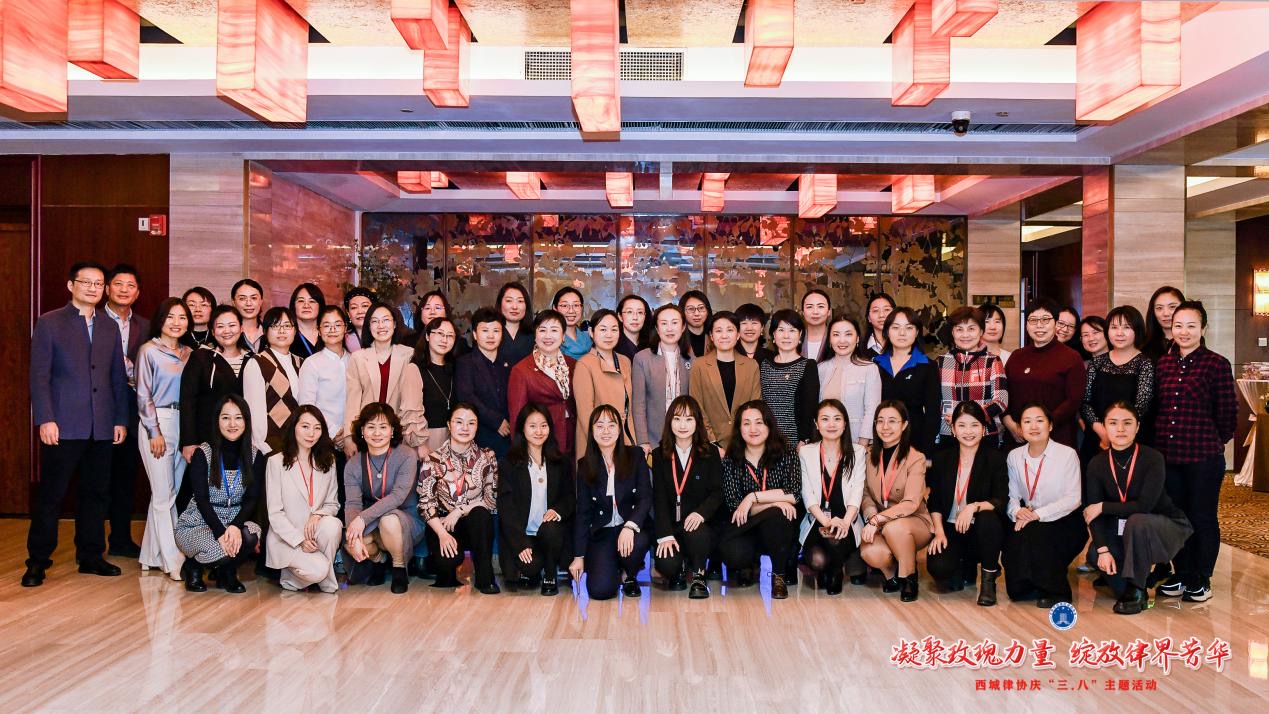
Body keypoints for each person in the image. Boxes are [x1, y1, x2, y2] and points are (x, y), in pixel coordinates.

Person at [22, 262, 129, 587]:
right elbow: (39, 376)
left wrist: (119, 419)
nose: (93, 288)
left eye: (99, 284)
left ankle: (91, 556)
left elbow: (117, 377)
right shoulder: (50, 322)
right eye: (87, 282)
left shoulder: (109, 326)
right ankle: (37, 561)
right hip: (63, 425)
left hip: (102, 425)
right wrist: (45, 418)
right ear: (71, 285)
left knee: (96, 493)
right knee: (51, 495)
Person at [1153, 301, 1236, 603]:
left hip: (1203, 457)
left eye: (1191, 325)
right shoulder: (1164, 364)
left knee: (1202, 516)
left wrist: (1212, 441)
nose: (1184, 331)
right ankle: (1182, 573)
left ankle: (1202, 577)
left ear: (1203, 328)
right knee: (1177, 517)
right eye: (1178, 325)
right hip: (1169, 456)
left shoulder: (1217, 364)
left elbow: (1228, 415)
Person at [1083, 402, 1193, 615]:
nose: (1120, 429)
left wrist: (1103, 506)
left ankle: (1137, 586)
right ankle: (1139, 582)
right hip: (1122, 528)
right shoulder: (1096, 463)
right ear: (1104, 427)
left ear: (1138, 427)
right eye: (1113, 423)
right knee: (1096, 556)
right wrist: (1103, 550)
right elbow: (1092, 513)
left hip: (1161, 524)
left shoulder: (1152, 458)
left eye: (1127, 423)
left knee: (1137, 520)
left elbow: (1144, 506)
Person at [175, 394, 265, 593]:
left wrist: (235, 526)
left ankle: (226, 572)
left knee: (251, 536)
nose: (232, 424)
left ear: (246, 421)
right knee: (221, 546)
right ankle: (193, 567)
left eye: (238, 417)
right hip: (200, 522)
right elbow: (202, 500)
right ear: (217, 421)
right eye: (225, 418)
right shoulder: (203, 453)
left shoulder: (255, 456)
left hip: (233, 519)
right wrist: (220, 532)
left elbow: (251, 499)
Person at [1002, 403, 1086, 607]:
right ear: (1020, 428)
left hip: (1066, 520)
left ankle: (1057, 592)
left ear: (1050, 425)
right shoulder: (1014, 456)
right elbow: (1012, 495)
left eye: (1039, 420)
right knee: (1014, 539)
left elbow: (1073, 498)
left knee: (1039, 535)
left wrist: (1038, 514)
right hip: (1028, 517)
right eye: (1027, 421)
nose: (1034, 426)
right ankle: (1027, 588)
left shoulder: (1067, 454)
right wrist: (1017, 511)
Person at [926, 401, 1008, 606]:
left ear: (983, 429)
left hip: (980, 529)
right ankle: (966, 566)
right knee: (940, 570)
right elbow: (934, 501)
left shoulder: (995, 459)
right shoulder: (942, 459)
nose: (968, 431)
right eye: (962, 425)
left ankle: (988, 580)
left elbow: (1000, 500)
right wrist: (939, 532)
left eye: (974, 425)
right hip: (951, 528)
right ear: (953, 430)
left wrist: (973, 507)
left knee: (988, 519)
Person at [136, 298, 194, 580]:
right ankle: (173, 559)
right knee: (162, 495)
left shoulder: (189, 353)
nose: (176, 322)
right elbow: (143, 394)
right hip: (157, 421)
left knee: (168, 493)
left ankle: (150, 555)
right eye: (170, 316)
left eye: (182, 317)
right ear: (160, 320)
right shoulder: (148, 351)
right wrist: (154, 431)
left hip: (183, 423)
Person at [718, 401, 800, 599]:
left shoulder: (786, 452)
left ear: (769, 425)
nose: (753, 429)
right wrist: (774, 503)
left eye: (759, 422)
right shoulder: (731, 459)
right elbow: (734, 504)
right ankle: (749, 563)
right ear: (739, 428)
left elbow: (794, 493)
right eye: (746, 423)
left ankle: (779, 576)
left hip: (778, 529)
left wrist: (752, 498)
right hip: (745, 527)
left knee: (778, 518)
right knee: (733, 554)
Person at [569, 405, 652, 600]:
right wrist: (579, 556)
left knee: (638, 542)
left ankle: (630, 574)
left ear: (619, 429)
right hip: (602, 531)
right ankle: (613, 566)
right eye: (600, 426)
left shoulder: (635, 456)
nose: (606, 431)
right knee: (600, 591)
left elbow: (645, 497)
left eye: (611, 425)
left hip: (630, 527)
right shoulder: (585, 465)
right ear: (592, 431)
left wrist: (630, 526)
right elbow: (583, 512)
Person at [417, 403, 500, 593]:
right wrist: (442, 534)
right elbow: (425, 504)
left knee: (481, 515)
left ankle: (485, 578)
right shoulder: (433, 459)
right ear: (449, 424)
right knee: (447, 564)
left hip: (474, 524)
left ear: (477, 426)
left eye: (471, 423)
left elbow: (491, 500)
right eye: (459, 422)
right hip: (443, 524)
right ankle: (446, 569)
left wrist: (460, 510)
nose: (465, 428)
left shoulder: (487, 457)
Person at [342, 403, 422, 595]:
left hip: (404, 519)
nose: (377, 433)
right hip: (372, 520)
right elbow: (352, 504)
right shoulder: (353, 464)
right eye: (371, 427)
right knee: (351, 541)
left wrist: (362, 519)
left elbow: (398, 496)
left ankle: (399, 567)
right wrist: (354, 532)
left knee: (389, 520)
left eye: (383, 427)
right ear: (362, 431)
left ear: (392, 431)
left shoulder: (407, 455)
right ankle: (379, 561)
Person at [859, 401, 933, 602]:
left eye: (892, 421)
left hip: (913, 522)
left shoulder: (916, 458)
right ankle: (891, 574)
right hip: (879, 521)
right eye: (880, 421)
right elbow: (864, 494)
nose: (885, 427)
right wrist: (871, 515)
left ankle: (909, 576)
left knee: (895, 528)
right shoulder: (868, 456)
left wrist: (878, 519)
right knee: (870, 551)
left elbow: (911, 502)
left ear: (904, 425)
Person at [498, 403, 574, 596]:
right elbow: (507, 508)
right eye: (532, 426)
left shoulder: (561, 461)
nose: (539, 431)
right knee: (529, 568)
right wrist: (520, 542)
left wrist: (557, 511)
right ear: (522, 429)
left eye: (543, 425)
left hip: (551, 534)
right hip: (524, 534)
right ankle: (535, 568)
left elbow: (569, 497)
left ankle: (550, 575)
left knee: (551, 528)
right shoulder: (509, 463)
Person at [652, 396, 724, 598]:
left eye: (689, 419)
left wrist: (701, 513)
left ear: (697, 422)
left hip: (700, 525)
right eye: (677, 419)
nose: (682, 425)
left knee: (697, 533)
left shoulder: (711, 452)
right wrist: (665, 535)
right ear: (669, 422)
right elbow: (658, 498)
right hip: (672, 527)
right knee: (666, 564)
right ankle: (681, 568)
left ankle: (699, 575)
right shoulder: (658, 455)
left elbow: (717, 492)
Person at [264, 406, 342, 592]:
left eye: (317, 428)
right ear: (294, 427)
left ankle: (314, 576)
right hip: (287, 539)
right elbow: (275, 513)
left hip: (315, 535)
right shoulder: (276, 462)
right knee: (318, 570)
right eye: (305, 426)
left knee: (333, 525)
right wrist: (299, 540)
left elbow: (332, 504)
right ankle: (297, 577)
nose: (311, 433)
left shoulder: (328, 461)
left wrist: (318, 515)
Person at [798, 399, 866, 596]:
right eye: (825, 419)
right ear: (817, 424)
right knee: (816, 560)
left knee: (836, 539)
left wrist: (844, 522)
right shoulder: (806, 452)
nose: (831, 424)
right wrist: (827, 521)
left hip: (847, 520)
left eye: (837, 419)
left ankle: (835, 570)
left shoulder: (858, 452)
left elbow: (857, 492)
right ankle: (829, 567)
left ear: (845, 424)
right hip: (817, 519)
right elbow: (807, 494)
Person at [104, 264, 148, 558]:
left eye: (130, 285)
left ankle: (120, 540)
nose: (124, 290)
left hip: (131, 412)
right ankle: (90, 546)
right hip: (98, 411)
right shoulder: (93, 321)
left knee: (124, 480)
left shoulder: (146, 326)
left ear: (138, 292)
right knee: (95, 481)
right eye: (118, 284)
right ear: (108, 288)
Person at [344, 301, 426, 458]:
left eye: (386, 320)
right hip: (368, 435)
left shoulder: (409, 355)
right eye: (375, 321)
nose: (381, 326)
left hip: (399, 435)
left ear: (394, 324)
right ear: (369, 326)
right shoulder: (358, 358)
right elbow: (352, 401)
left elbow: (414, 401)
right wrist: (349, 436)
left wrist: (416, 438)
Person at [1002, 298, 1085, 449]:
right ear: (1026, 325)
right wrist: (1010, 424)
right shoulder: (1016, 356)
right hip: (1018, 437)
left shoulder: (1071, 357)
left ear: (1056, 323)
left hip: (1057, 437)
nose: (1039, 325)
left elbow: (1074, 400)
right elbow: (1003, 392)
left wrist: (1044, 424)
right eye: (1033, 320)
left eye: (1045, 319)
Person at [1081, 305, 1154, 463]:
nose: (1119, 333)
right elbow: (1085, 402)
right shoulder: (1097, 363)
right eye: (1114, 327)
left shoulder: (1145, 364)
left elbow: (1141, 405)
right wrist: (1102, 431)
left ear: (1137, 330)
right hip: (1096, 438)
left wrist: (1117, 431)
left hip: (1130, 439)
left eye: (1126, 327)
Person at [180, 305, 250, 466]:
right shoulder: (201, 357)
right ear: (212, 331)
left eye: (232, 325)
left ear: (241, 328)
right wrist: (189, 441)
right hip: (206, 437)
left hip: (242, 438)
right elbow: (188, 400)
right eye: (220, 326)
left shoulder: (251, 359)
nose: (227, 331)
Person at [936, 306, 1008, 451]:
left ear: (981, 331)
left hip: (984, 434)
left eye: (971, 329)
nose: (965, 335)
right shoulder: (941, 362)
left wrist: (966, 416)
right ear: (952, 332)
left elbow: (1001, 401)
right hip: (948, 434)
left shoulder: (992, 361)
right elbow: (933, 401)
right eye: (959, 329)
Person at [508, 309, 579, 456]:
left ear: (563, 336)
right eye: (542, 330)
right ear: (535, 335)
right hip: (541, 442)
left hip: (573, 439)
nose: (548, 336)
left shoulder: (574, 365)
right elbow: (517, 416)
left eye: (554, 330)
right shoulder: (521, 370)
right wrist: (520, 452)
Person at [689, 311, 761, 449]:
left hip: (744, 443)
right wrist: (712, 442)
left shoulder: (751, 365)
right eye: (718, 331)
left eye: (730, 330)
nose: (724, 335)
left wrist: (745, 438)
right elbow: (696, 405)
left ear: (738, 335)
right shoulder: (699, 365)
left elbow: (755, 405)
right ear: (711, 336)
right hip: (710, 444)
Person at [875, 307, 940, 455]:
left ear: (917, 332)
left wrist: (925, 453)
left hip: (915, 443)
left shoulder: (927, 366)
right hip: (880, 441)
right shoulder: (875, 364)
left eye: (909, 328)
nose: (902, 333)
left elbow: (933, 414)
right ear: (887, 331)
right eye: (896, 327)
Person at [242, 307, 304, 455]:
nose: (282, 331)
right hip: (271, 444)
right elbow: (254, 410)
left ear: (295, 331)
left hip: (301, 442)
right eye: (275, 326)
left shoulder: (302, 363)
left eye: (287, 326)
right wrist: (261, 446)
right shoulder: (257, 362)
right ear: (265, 331)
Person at [572, 308, 634, 454]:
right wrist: (602, 445)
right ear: (591, 332)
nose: (609, 335)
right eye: (603, 329)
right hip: (598, 443)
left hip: (625, 435)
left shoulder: (624, 361)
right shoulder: (585, 364)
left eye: (614, 329)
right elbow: (585, 414)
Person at [632, 304, 691, 453]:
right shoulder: (642, 358)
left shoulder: (692, 360)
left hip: (685, 437)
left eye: (675, 323)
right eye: (664, 323)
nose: (669, 328)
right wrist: (643, 440)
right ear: (657, 329)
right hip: (653, 439)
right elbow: (638, 404)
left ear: (683, 327)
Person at [455, 307, 513, 458]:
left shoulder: (509, 363)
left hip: (509, 437)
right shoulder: (465, 363)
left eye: (496, 330)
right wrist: (496, 421)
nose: (491, 336)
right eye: (485, 330)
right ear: (475, 334)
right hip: (480, 436)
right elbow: (467, 397)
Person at [818, 314, 881, 448]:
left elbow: (872, 410)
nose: (842, 340)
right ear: (829, 339)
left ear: (857, 338)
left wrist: (862, 446)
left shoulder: (869, 368)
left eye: (848, 334)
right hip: (826, 444)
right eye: (836, 334)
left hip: (857, 443)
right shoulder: (820, 369)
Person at [759, 309, 820, 446]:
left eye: (792, 330)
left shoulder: (808, 365)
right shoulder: (764, 364)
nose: (786, 336)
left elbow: (809, 407)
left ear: (800, 335)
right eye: (781, 330)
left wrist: (804, 439)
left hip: (795, 441)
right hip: (765, 440)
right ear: (773, 334)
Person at [297, 305, 352, 457]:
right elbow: (307, 404)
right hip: (322, 440)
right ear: (319, 331)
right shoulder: (312, 363)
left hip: (353, 439)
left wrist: (350, 433)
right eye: (326, 325)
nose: (332, 330)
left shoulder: (355, 360)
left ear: (345, 328)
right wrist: (335, 432)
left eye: (337, 325)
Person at [413, 317, 459, 452]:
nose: (445, 340)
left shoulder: (456, 368)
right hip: (426, 439)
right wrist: (421, 444)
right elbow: (412, 412)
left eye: (450, 336)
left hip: (453, 439)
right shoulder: (415, 368)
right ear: (427, 336)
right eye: (439, 333)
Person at [496, 281, 534, 368]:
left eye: (520, 301)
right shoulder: (491, 333)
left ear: (526, 306)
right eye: (509, 301)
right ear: (500, 303)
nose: (514, 307)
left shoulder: (536, 334)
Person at [1144, 286, 1185, 360]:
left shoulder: (1193, 341)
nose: (1166, 314)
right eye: (1159, 308)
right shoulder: (1143, 346)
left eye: (1172, 307)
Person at [289, 283, 326, 360]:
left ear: (320, 306)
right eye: (301, 301)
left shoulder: (328, 333)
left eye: (312, 301)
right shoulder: (287, 335)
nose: (306, 305)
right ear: (294, 305)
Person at [554, 287, 592, 360]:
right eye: (564, 305)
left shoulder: (589, 337)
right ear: (555, 308)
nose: (571, 311)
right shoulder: (549, 339)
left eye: (576, 305)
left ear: (582, 308)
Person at [231, 278, 266, 353]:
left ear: (261, 301)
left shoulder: (270, 332)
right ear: (233, 302)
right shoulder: (227, 334)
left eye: (253, 298)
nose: (248, 303)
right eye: (242, 299)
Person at [799, 289, 834, 361]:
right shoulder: (794, 339)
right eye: (809, 307)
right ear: (803, 312)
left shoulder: (837, 339)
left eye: (820, 306)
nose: (815, 312)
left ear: (829, 311)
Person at [616, 294, 652, 360]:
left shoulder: (652, 346)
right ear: (620, 316)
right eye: (629, 312)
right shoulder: (612, 344)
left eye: (640, 312)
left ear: (645, 316)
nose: (635, 317)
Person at [680, 290, 713, 359]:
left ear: (707, 311)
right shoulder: (678, 338)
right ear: (682, 312)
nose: (696, 314)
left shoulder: (714, 336)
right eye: (691, 309)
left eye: (701, 308)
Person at [342, 287, 375, 353]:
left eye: (365, 306)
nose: (360, 311)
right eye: (354, 307)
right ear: (348, 313)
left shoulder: (384, 334)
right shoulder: (342, 339)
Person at [863, 293, 896, 358]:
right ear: (869, 318)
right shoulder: (860, 348)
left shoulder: (906, 344)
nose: (881, 315)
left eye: (887, 309)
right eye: (875, 311)